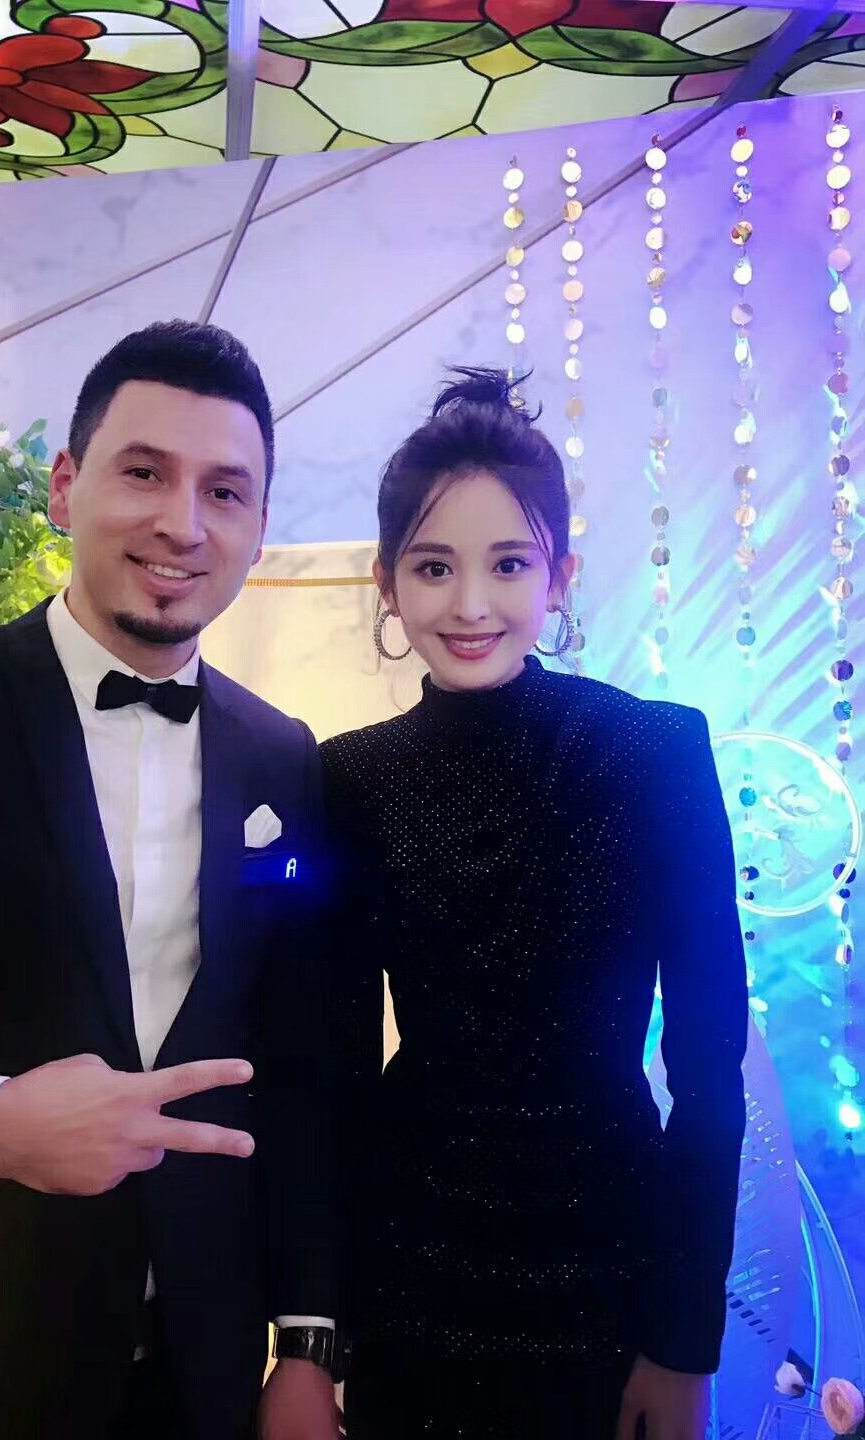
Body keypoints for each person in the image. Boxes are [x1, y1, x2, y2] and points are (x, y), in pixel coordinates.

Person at [0, 321, 344, 1440]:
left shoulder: (282, 755)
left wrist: (307, 1340)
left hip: (199, 1374)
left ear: (258, 528)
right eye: (143, 472)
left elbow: (301, 1070)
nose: (182, 522)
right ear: (64, 486)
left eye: (224, 491)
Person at [321, 368, 748, 1439]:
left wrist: (684, 1343)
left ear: (560, 577)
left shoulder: (656, 753)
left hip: (607, 1272)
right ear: (386, 584)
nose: (470, 605)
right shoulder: (347, 779)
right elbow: (333, 1074)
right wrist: (318, 1338)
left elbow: (709, 1074)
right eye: (433, 566)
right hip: (409, 1276)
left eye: (509, 564)